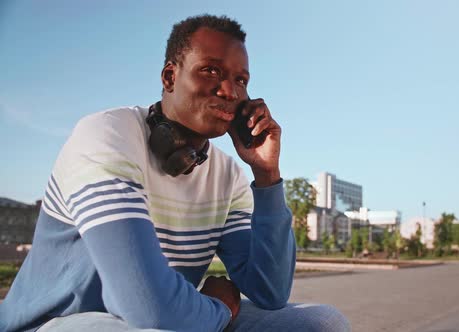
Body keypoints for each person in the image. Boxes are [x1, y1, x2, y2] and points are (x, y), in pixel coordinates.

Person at [0, 14, 350, 332]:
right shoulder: (107, 136)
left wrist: (267, 174)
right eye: (211, 70)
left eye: (240, 80)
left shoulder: (228, 176)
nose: (229, 91)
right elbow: (146, 305)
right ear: (170, 76)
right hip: (56, 324)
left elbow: (269, 292)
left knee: (322, 323)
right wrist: (220, 310)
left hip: (166, 322)